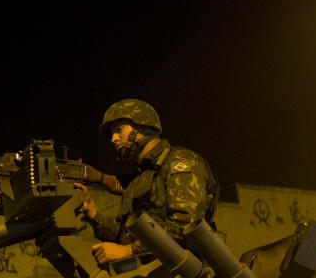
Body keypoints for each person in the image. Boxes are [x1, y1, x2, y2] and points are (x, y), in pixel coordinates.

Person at [77, 98, 218, 266]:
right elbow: (126, 236)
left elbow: (185, 227)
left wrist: (128, 251)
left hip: (185, 275)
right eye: (111, 134)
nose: (113, 139)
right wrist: (94, 216)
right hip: (150, 275)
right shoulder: (140, 178)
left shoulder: (179, 162)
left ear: (143, 126)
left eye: (118, 130)